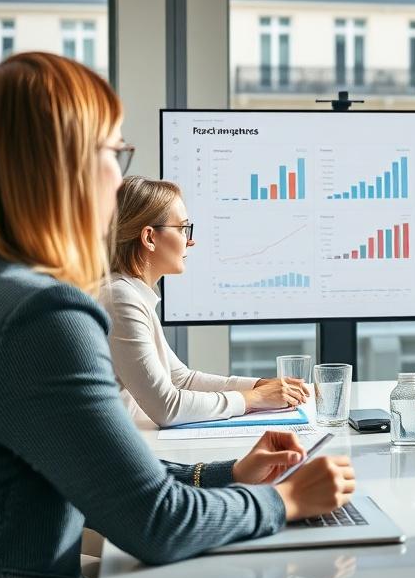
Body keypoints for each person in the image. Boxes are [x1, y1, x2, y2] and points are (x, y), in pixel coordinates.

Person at [0, 53, 355, 578]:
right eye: (115, 152)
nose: (118, 178)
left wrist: (227, 475)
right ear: (62, 168)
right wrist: (285, 499)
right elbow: (157, 524)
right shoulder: (38, 315)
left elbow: (100, 467)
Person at [102, 175, 307, 427]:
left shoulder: (129, 293)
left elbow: (180, 379)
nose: (190, 240)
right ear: (149, 238)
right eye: (183, 228)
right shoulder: (120, 299)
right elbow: (166, 407)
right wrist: (252, 398)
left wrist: (258, 386)